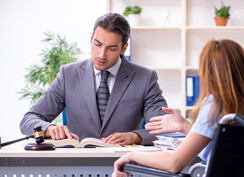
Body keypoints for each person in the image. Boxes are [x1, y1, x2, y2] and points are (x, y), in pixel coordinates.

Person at [111, 39, 244, 177]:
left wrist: (130, 156)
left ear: (209, 73)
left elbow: (174, 163)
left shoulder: (215, 106)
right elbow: (222, 146)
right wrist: (184, 126)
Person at [20, 13, 167, 145]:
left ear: (123, 48)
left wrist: (135, 136)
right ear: (91, 39)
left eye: (112, 48)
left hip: (125, 165)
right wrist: (50, 129)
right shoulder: (68, 74)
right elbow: (28, 120)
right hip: (76, 167)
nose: (102, 55)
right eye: (98, 44)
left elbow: (164, 129)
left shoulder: (145, 78)